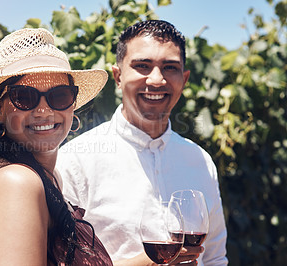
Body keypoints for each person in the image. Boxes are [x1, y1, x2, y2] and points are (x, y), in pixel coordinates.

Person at [57, 20, 228, 265]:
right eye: (143, 66)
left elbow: (215, 257)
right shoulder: (75, 161)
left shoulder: (200, 161)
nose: (157, 80)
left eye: (170, 67)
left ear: (185, 78)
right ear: (118, 76)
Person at [0, 28, 113, 265]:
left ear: (72, 106)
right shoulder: (18, 183)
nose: (44, 110)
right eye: (24, 96)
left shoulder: (47, 178)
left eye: (60, 95)